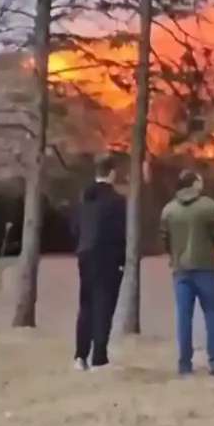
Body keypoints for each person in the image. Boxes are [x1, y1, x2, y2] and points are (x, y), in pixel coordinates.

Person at [159, 170, 214, 376]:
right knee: (211, 314)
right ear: (194, 183)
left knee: (184, 317)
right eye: (200, 180)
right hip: (205, 267)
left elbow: (164, 238)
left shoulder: (169, 210)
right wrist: (211, 250)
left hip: (180, 269)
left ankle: (184, 363)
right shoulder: (208, 206)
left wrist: (175, 254)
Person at [71, 153, 127, 371]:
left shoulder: (83, 198)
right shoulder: (117, 201)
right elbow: (121, 233)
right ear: (112, 173)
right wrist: (121, 259)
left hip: (85, 254)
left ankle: (80, 355)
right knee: (104, 305)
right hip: (107, 256)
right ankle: (99, 357)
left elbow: (74, 227)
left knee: (86, 304)